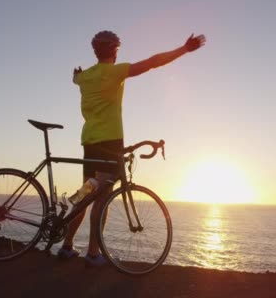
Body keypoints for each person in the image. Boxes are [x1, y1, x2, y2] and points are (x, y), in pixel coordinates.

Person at [58, 30, 206, 266]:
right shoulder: (116, 71)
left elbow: (75, 78)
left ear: (95, 51)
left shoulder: (84, 77)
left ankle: (66, 246)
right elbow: (153, 62)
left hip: (89, 142)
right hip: (110, 143)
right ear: (115, 52)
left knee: (85, 193)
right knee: (101, 198)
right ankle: (93, 254)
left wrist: (76, 75)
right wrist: (184, 49)